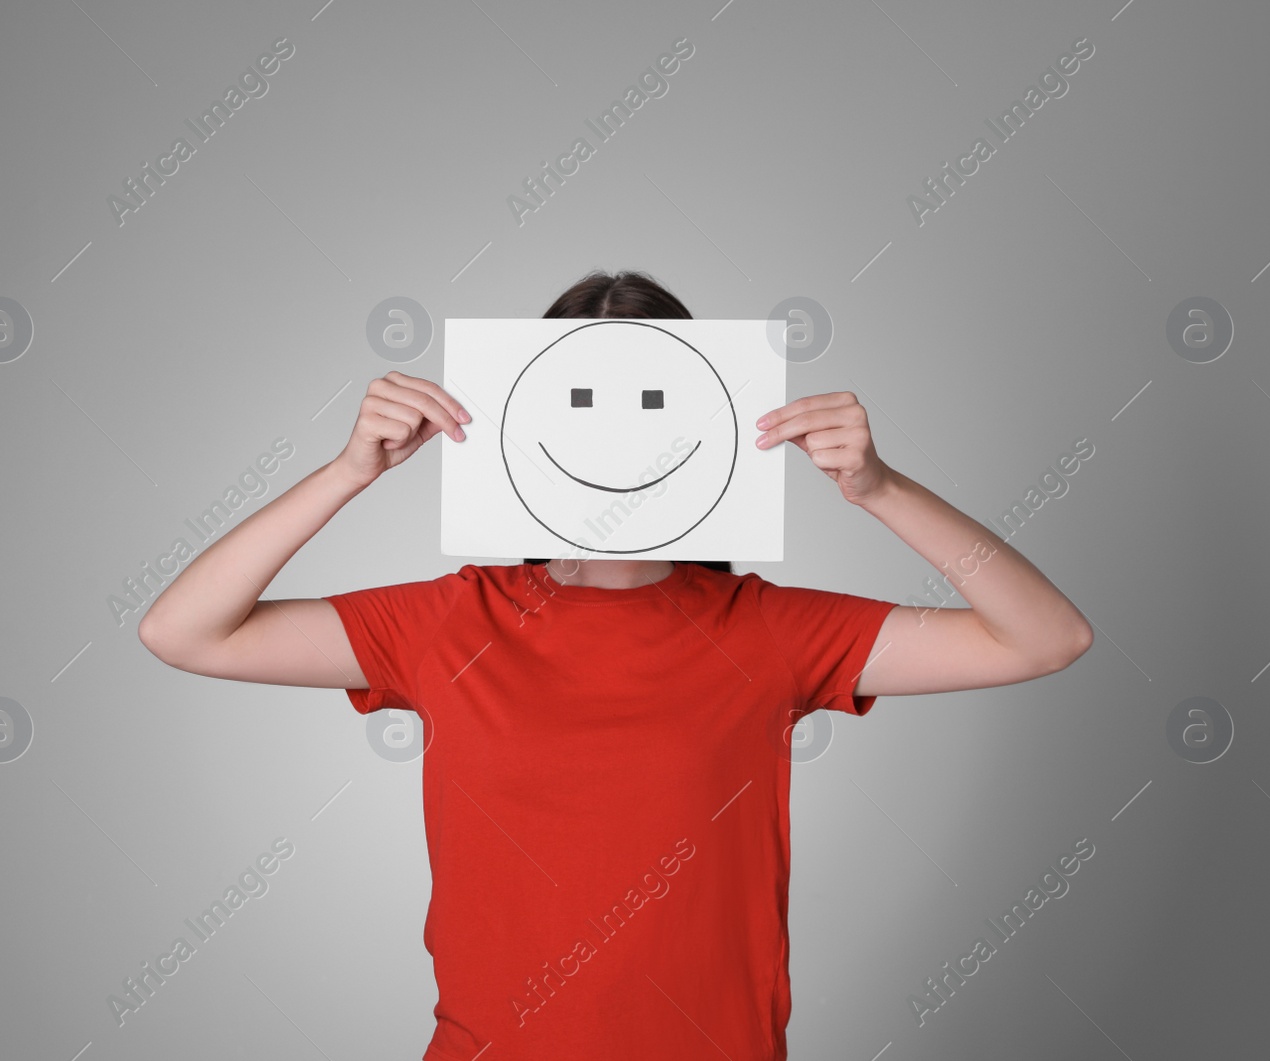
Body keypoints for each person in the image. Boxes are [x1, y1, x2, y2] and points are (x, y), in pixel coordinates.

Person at [137, 270, 1093, 1061]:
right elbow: (185, 630)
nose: (615, 433)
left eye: (650, 400)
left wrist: (881, 490)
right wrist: (348, 471)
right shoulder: (447, 620)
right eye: (581, 398)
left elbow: (1044, 636)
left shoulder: (766, 628)